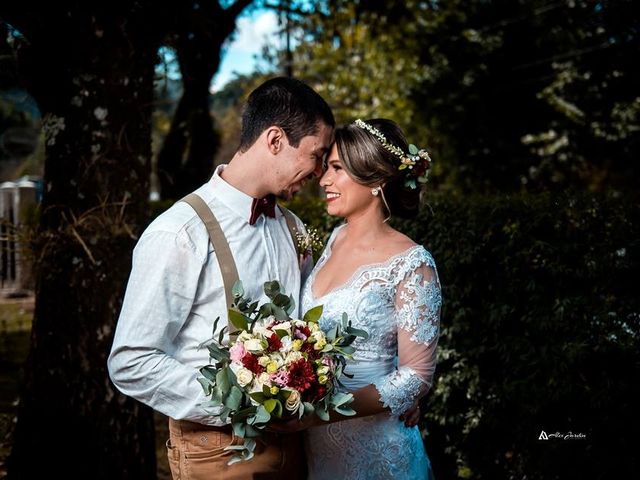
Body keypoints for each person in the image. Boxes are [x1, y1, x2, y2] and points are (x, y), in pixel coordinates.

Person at [107, 77, 334, 480]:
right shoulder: (179, 231)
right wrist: (241, 401)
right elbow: (131, 360)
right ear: (275, 139)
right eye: (316, 155)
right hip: (217, 454)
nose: (319, 172)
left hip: (297, 448)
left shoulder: (294, 228)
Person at [299, 118, 442, 479]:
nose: (323, 180)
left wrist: (323, 411)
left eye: (336, 169)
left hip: (379, 451)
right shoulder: (331, 241)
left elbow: (416, 375)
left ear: (375, 179)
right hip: (317, 449)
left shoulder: (412, 262)